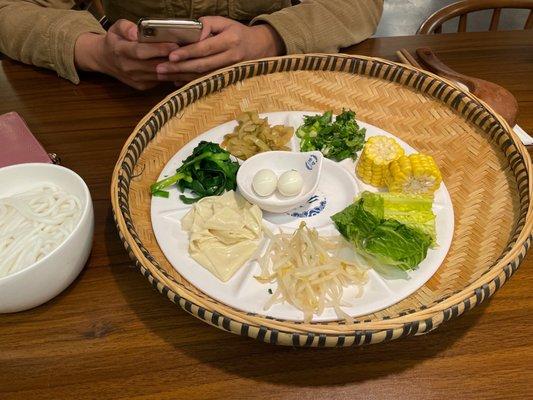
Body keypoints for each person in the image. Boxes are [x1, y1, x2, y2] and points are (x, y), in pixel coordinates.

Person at [0, 1, 383, 90]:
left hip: (278, 88)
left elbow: (361, 4)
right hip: (128, 99)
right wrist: (95, 52)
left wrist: (267, 39)